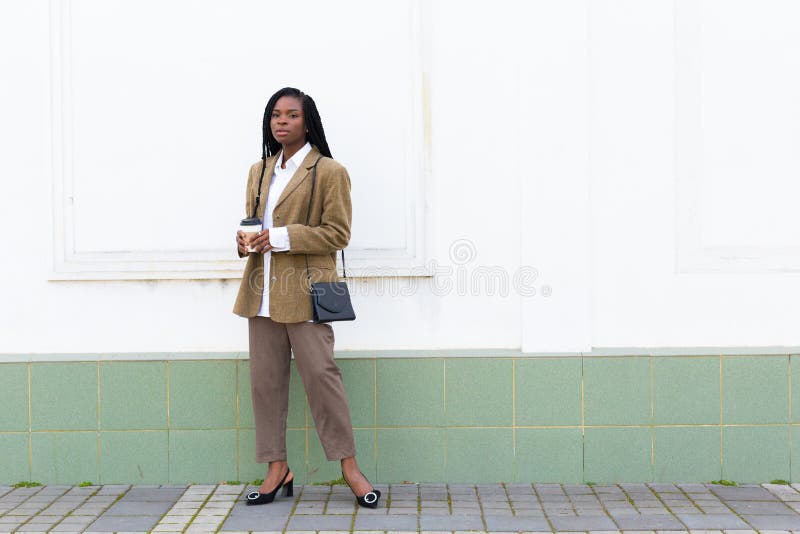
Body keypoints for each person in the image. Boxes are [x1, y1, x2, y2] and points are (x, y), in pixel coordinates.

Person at [232, 87, 380, 509]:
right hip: (261, 294)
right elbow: (251, 223)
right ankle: (277, 468)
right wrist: (245, 243)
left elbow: (338, 234)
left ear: (307, 121)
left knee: (322, 379)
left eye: (291, 115)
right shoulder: (258, 170)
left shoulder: (329, 171)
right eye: (276, 115)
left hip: (307, 292)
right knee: (266, 385)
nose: (282, 121)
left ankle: (350, 468)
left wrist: (278, 238)